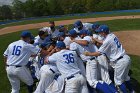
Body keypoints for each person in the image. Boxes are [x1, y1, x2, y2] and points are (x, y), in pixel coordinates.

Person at [84, 25, 135, 93]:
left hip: (120, 62)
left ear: (103, 33)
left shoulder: (107, 41)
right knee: (126, 77)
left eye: (100, 32)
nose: (99, 33)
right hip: (126, 58)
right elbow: (103, 42)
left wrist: (88, 54)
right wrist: (95, 39)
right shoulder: (112, 35)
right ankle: (132, 91)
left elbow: (98, 53)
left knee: (118, 82)